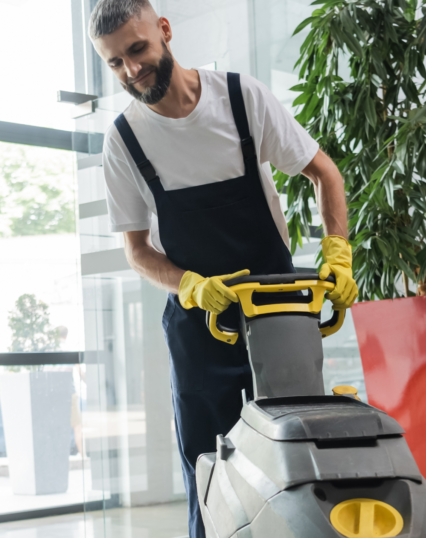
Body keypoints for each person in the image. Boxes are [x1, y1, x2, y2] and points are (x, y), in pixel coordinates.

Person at [87, 1, 358, 535]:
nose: (131, 70)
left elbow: (324, 172)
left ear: (164, 31)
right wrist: (189, 284)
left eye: (137, 49)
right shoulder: (124, 139)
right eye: (115, 63)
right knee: (206, 464)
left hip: (277, 311)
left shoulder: (239, 98)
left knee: (294, 453)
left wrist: (338, 252)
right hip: (199, 321)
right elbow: (137, 250)